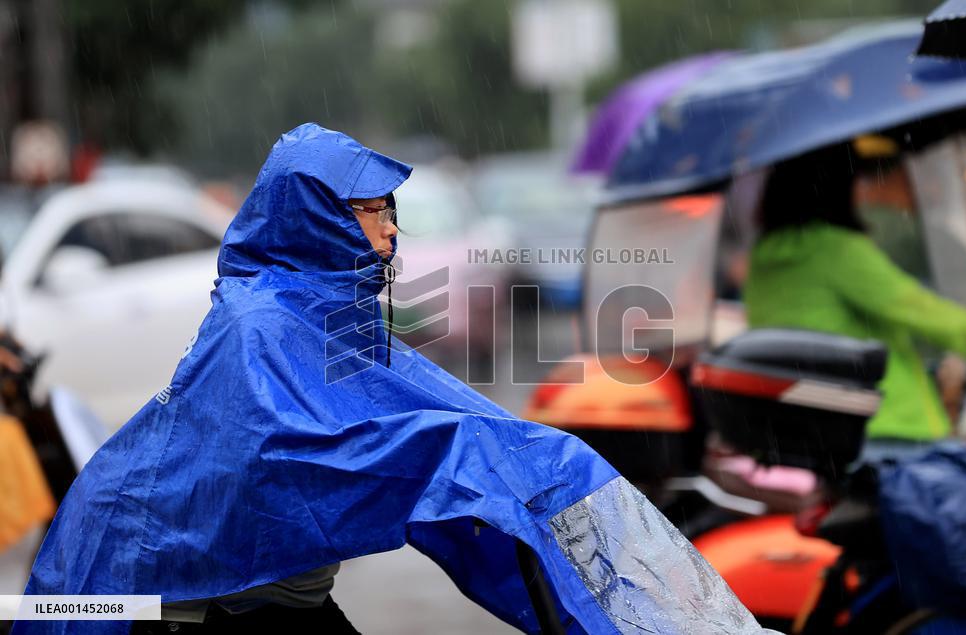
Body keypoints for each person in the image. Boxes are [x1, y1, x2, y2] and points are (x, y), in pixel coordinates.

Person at [14, 124, 775, 635]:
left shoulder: (328, 307)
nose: (389, 231)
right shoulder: (259, 321)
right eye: (368, 212)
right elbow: (292, 442)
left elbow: (410, 407)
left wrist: (500, 451)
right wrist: (445, 455)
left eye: (390, 210)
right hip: (185, 598)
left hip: (275, 593)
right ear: (314, 219)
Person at [743, 143, 966, 444]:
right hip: (889, 422)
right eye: (856, 181)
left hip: (812, 424)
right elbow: (918, 309)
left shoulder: (763, 256)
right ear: (837, 189)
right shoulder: (837, 250)